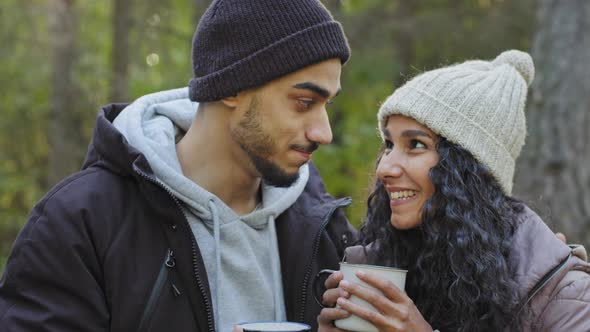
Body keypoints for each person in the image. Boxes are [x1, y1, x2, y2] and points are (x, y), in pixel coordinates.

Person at [0, 1, 359, 331]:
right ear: (231, 86)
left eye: (326, 105)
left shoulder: (326, 229)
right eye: (304, 101)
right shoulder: (81, 222)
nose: (323, 132)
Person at [318, 50, 590, 331]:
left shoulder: (564, 296)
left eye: (416, 145)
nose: (385, 168)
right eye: (389, 145)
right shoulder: (379, 264)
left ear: (468, 170)